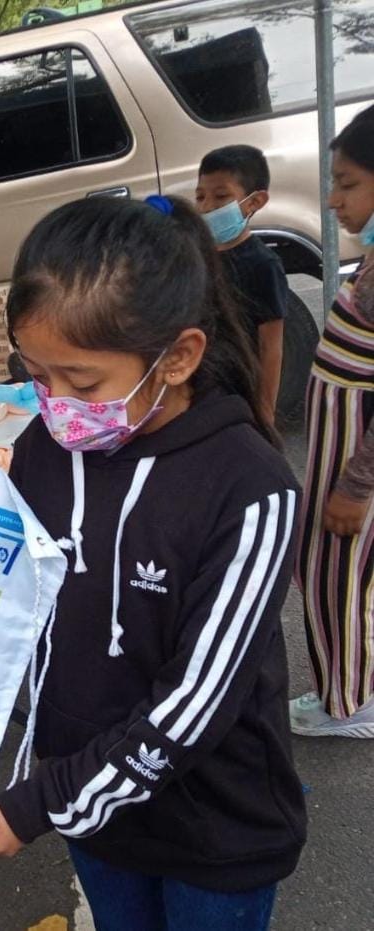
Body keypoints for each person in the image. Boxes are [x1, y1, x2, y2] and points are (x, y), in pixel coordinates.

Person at [0, 195, 306, 931]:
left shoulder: (250, 489)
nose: (56, 405)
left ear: (178, 357)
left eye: (82, 384)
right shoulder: (46, 449)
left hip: (215, 828)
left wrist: (42, 803)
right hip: (93, 814)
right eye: (38, 377)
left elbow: (195, 702)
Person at [292, 104, 374, 739]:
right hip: (342, 452)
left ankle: (351, 704)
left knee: (335, 577)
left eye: (347, 183)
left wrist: (355, 486)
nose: (332, 199)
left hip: (355, 464)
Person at [196, 145, 287, 424]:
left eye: (221, 196)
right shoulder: (195, 256)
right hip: (199, 389)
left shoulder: (263, 265)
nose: (207, 207)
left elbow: (271, 347)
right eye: (200, 196)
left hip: (239, 393)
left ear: (254, 202)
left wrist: (265, 412)